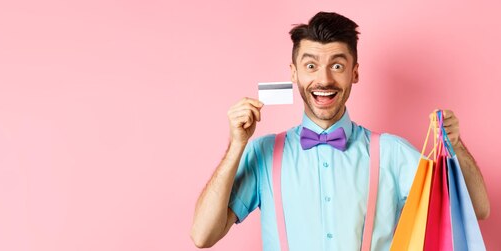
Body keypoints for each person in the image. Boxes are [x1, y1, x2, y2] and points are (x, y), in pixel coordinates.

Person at [190, 11, 490, 250]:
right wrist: (235, 147)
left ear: (354, 72)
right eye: (310, 66)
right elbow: (203, 236)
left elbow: (477, 209)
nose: (323, 79)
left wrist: (456, 146)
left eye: (337, 65)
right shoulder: (264, 152)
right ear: (293, 72)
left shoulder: (392, 152)